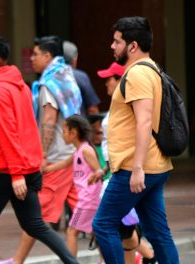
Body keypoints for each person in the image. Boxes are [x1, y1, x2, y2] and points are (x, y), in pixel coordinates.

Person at [0, 35, 79, 264]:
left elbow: (7, 132)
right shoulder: (20, 86)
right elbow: (21, 128)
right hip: (23, 167)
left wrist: (16, 173)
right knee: (35, 225)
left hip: (7, 171)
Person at [92, 16, 179, 264]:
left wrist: (137, 168)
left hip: (136, 167)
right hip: (151, 164)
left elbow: (144, 121)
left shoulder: (138, 74)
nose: (112, 46)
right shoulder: (151, 69)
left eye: (116, 41)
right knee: (157, 233)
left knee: (103, 224)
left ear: (132, 46)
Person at [11, 36, 82, 264]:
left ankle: (17, 261)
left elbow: (49, 120)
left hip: (57, 159)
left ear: (47, 56)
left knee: (36, 218)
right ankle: (141, 254)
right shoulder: (67, 76)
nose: (32, 59)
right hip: (75, 155)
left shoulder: (49, 83)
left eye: (35, 54)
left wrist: (41, 155)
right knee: (87, 218)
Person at [95, 62, 157, 264]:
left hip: (125, 174)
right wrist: (104, 168)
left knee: (112, 226)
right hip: (116, 172)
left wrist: (135, 168)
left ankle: (150, 256)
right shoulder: (117, 106)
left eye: (109, 79)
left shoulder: (128, 106)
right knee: (123, 227)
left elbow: (135, 137)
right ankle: (149, 257)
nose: (106, 83)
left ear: (120, 80)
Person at [42, 114, 103, 256]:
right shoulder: (79, 150)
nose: (62, 135)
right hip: (88, 200)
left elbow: (98, 169)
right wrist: (44, 170)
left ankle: (71, 261)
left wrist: (97, 173)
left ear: (73, 133)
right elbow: (64, 164)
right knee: (99, 232)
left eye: (63, 131)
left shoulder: (86, 150)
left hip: (88, 201)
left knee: (71, 230)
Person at [63, 40, 101, 115]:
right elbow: (92, 109)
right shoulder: (81, 77)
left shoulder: (48, 77)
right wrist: (97, 127)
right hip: (77, 124)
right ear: (75, 58)